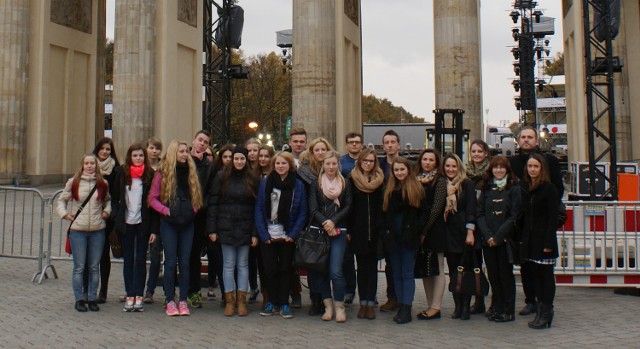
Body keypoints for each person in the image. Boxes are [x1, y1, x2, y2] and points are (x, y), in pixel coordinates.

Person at [509, 126, 563, 317]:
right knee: (526, 266)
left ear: (537, 140)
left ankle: (545, 305)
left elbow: (558, 187)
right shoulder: (513, 162)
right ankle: (530, 300)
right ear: (518, 140)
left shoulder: (549, 161)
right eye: (522, 137)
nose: (526, 140)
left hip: (541, 221)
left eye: (530, 137)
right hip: (523, 223)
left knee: (543, 270)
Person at [148, 140, 203, 316]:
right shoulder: (163, 173)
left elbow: (197, 196)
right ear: (174, 153)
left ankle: (183, 300)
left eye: (186, 151)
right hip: (169, 223)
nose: (185, 154)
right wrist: (166, 211)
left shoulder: (191, 172)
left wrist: (191, 211)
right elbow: (153, 198)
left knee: (185, 263)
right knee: (170, 263)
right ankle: (170, 299)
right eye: (181, 151)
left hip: (187, 223)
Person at [208, 146, 260, 317]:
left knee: (243, 264)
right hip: (226, 226)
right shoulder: (221, 177)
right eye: (236, 159)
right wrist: (212, 229)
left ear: (246, 161)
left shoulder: (252, 178)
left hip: (245, 226)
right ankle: (229, 300)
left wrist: (254, 232)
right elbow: (213, 203)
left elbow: (256, 207)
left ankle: (242, 300)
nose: (239, 162)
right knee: (228, 264)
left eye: (242, 159)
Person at [255, 152, 308, 318]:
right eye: (277, 163)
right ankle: (272, 301)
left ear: (290, 165)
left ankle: (284, 303)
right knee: (269, 269)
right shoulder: (266, 183)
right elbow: (259, 209)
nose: (280, 166)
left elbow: (302, 212)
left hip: (287, 234)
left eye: (284, 163)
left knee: (285, 269)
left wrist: (293, 234)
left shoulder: (297, 185)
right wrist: (263, 234)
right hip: (268, 234)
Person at [57, 153, 111, 312]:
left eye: (92, 163)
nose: (89, 166)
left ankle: (92, 298)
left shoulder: (102, 183)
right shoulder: (73, 182)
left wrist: (107, 212)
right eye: (86, 163)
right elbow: (62, 199)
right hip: (78, 230)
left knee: (94, 267)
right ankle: (79, 298)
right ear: (82, 165)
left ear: (96, 166)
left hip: (97, 230)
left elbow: (108, 200)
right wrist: (64, 214)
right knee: (79, 267)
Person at [308, 150, 353, 323]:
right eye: (328, 164)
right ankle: (328, 306)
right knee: (321, 271)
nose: (331, 167)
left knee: (336, 271)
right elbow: (313, 208)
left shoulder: (346, 183)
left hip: (339, 231)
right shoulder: (316, 184)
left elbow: (348, 206)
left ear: (338, 165)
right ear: (323, 165)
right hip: (320, 231)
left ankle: (340, 306)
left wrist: (333, 221)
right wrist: (326, 223)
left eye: (334, 163)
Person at [382, 157, 426, 324]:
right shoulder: (389, 190)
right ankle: (400, 304)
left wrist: (418, 231)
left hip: (409, 237)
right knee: (396, 273)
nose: (399, 172)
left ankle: (406, 307)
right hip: (393, 237)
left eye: (402, 169)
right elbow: (384, 213)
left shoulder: (416, 188)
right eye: (396, 170)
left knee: (407, 273)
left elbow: (423, 214)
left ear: (408, 170)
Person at [111, 144, 156, 312]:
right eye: (135, 155)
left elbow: (153, 202)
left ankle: (139, 294)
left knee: (140, 261)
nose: (138, 158)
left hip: (142, 223)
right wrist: (116, 217)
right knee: (128, 260)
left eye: (141, 155)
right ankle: (129, 293)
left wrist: (153, 229)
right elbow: (115, 198)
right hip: (126, 222)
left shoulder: (150, 175)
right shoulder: (121, 174)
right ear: (130, 157)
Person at [477, 155, 521, 322]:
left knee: (505, 276)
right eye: (495, 167)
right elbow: (480, 213)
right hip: (488, 240)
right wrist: (488, 235)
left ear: (507, 170)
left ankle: (508, 310)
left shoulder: (514, 188)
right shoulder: (487, 188)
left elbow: (514, 215)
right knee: (493, 275)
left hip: (505, 240)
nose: (499, 170)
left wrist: (498, 236)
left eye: (502, 167)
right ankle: (497, 306)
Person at [520, 154, 559, 329]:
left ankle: (547, 310)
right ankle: (539, 309)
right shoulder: (526, 187)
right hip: (530, 239)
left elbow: (553, 217)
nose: (533, 169)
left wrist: (549, 242)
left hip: (544, 238)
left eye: (536, 166)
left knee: (546, 277)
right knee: (535, 275)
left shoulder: (549, 188)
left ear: (542, 168)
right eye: (530, 166)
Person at [348, 148, 384, 320]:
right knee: (362, 269)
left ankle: (370, 303)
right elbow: (348, 207)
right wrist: (349, 229)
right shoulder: (352, 179)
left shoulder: (381, 180)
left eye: (371, 161)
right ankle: (362, 302)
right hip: (358, 230)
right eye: (365, 161)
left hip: (376, 230)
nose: (368, 164)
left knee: (373, 269)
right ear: (360, 162)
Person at [442, 153, 478, 321]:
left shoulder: (467, 184)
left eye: (454, 166)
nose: (450, 169)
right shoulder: (442, 185)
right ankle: (457, 305)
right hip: (448, 232)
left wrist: (470, 231)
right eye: (448, 166)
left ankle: (466, 306)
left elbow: (471, 207)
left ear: (459, 167)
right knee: (454, 271)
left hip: (464, 232)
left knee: (466, 270)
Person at [415, 149, 447, 321]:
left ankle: (436, 306)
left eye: (431, 160)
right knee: (426, 268)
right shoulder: (416, 180)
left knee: (438, 267)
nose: (427, 162)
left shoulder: (439, 181)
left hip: (435, 229)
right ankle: (429, 305)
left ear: (436, 163)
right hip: (420, 229)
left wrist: (424, 231)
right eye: (424, 159)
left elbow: (436, 208)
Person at [186, 130, 217, 309]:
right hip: (183, 214)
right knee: (182, 255)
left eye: (206, 142)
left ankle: (194, 291)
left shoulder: (208, 166)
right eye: (200, 140)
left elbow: (210, 191)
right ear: (194, 140)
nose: (202, 144)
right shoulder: (183, 160)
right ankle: (182, 290)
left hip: (199, 216)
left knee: (194, 255)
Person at [92, 137, 120, 304]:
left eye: (108, 149)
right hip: (91, 215)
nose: (104, 152)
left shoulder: (116, 170)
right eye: (102, 149)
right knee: (90, 255)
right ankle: (89, 289)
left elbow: (116, 195)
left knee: (103, 255)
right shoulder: (89, 167)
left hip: (107, 217)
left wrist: (113, 214)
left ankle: (103, 290)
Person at [465, 139, 491, 315]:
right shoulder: (466, 174)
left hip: (488, 223)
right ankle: (478, 299)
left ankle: (495, 301)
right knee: (475, 264)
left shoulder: (491, 173)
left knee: (492, 264)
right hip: (472, 224)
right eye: (473, 151)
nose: (476, 154)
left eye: (480, 151)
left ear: (486, 153)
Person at [379, 130, 401, 313]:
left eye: (393, 141)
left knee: (403, 262)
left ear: (398, 145)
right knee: (389, 263)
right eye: (387, 142)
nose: (390, 145)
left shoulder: (407, 165)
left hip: (402, 219)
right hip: (385, 220)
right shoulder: (378, 165)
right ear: (383, 145)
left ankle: (403, 297)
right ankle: (392, 297)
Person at [340, 132, 362, 304]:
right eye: (351, 142)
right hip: (347, 212)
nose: (354, 145)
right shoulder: (341, 163)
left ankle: (368, 293)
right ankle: (349, 289)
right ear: (347, 145)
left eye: (357, 142)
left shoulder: (368, 161)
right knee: (346, 258)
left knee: (364, 259)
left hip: (362, 213)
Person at [143, 137, 163, 304]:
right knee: (139, 256)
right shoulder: (139, 167)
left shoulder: (163, 168)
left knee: (155, 256)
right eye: (151, 147)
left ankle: (150, 289)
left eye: (157, 148)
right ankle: (136, 289)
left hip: (158, 215)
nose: (154, 151)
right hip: (142, 216)